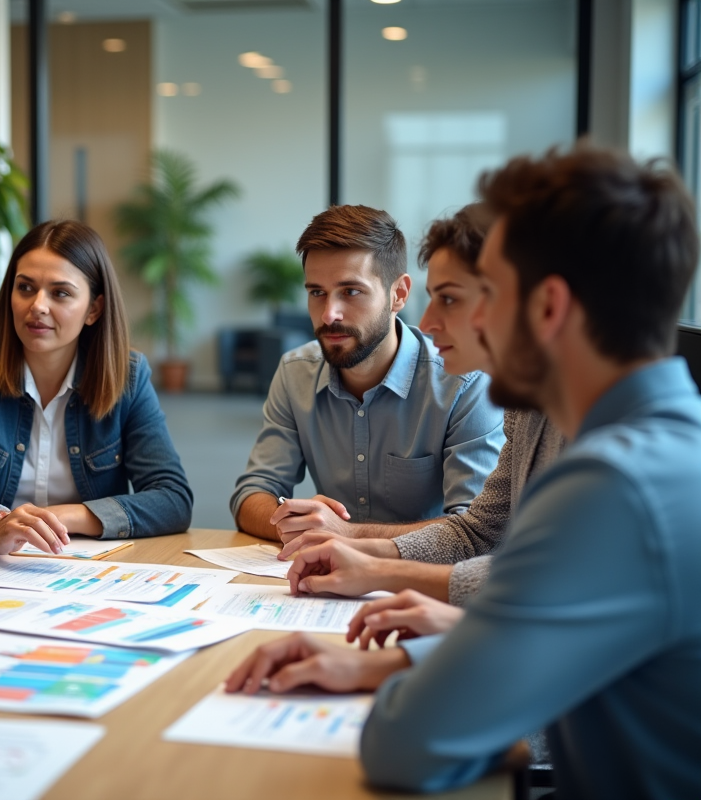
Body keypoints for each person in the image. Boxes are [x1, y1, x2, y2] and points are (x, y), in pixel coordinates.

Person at [226, 145, 701, 798]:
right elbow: (546, 611)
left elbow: (404, 742)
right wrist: (401, 655)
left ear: (548, 308)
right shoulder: (652, 450)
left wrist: (408, 657)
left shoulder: (613, 489)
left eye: (484, 296)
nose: (446, 324)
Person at [280, 205, 566, 607]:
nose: (427, 322)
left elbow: (554, 579)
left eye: (448, 299)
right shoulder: (529, 408)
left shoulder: (615, 435)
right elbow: (479, 534)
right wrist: (369, 564)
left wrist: (375, 565)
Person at [230, 204, 503, 542]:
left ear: (398, 294)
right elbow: (252, 494)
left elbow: (476, 529)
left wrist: (346, 535)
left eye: (351, 291)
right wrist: (295, 524)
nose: (329, 314)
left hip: (422, 582)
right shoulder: (295, 372)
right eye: (317, 292)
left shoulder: (463, 383)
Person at [0, 220, 192, 552]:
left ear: (94, 309)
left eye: (60, 293)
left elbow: (173, 498)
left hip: (89, 568)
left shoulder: (127, 377)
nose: (38, 306)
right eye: (26, 288)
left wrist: (59, 517)